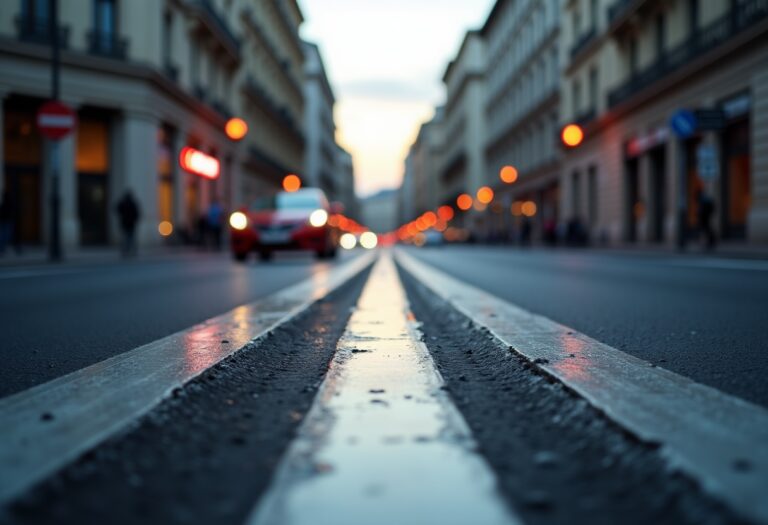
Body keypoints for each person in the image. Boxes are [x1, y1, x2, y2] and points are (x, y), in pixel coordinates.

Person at [116, 191, 140, 257]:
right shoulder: (132, 203)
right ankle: (131, 251)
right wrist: (135, 220)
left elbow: (117, 209)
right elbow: (137, 213)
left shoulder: (123, 203)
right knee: (131, 238)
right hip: (131, 223)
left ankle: (125, 251)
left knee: (125, 238)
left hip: (125, 223)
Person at [0, 189, 19, 256]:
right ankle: (2, 248)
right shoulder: (8, 203)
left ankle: (2, 249)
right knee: (5, 236)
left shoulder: (5, 203)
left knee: (4, 235)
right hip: (6, 221)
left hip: (5, 221)